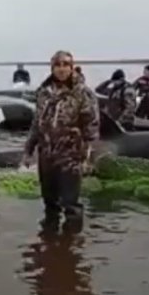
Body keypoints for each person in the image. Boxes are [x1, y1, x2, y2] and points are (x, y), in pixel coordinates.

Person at [23, 50, 100, 224]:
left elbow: (92, 127)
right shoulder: (43, 92)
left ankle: (70, 246)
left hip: (71, 156)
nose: (61, 69)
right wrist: (28, 150)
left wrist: (88, 158)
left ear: (72, 68)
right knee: (49, 202)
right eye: (57, 65)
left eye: (66, 64)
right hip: (47, 155)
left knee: (70, 204)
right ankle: (49, 243)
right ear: (52, 68)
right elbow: (37, 123)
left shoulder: (83, 93)